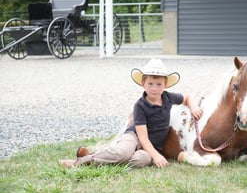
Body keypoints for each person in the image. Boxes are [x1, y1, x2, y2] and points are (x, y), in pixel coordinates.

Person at [60, 58, 203, 168]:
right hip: (135, 137)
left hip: (151, 146)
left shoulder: (168, 97)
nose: (154, 88)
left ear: (165, 85)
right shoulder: (140, 106)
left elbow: (187, 97)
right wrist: (156, 156)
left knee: (140, 161)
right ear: (143, 84)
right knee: (124, 152)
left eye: (159, 84)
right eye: (150, 84)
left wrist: (194, 107)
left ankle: (104, 156)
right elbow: (143, 137)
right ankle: (80, 161)